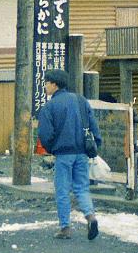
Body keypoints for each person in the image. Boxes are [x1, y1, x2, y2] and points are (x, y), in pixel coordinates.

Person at [36, 69, 102, 240]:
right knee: (82, 188)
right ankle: (90, 217)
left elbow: (44, 133)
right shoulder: (81, 100)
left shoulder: (50, 106)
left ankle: (65, 227)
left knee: (63, 190)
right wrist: (96, 144)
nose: (45, 86)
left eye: (46, 83)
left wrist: (52, 148)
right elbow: (93, 125)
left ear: (54, 84)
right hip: (82, 152)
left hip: (63, 153)